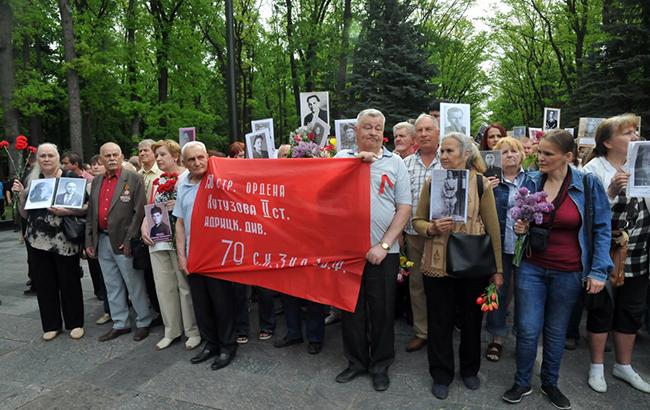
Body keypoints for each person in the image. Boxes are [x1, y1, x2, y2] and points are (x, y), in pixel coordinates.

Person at [502, 130, 612, 410]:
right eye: (539, 152)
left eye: (548, 154)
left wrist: (599, 271)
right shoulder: (532, 180)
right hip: (532, 266)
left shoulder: (588, 184)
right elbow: (523, 218)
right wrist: (522, 227)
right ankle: (522, 381)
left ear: (568, 157)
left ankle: (550, 382)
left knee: (556, 330)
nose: (540, 158)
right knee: (527, 328)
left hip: (570, 270)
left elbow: (601, 229)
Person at [413, 133, 503, 400]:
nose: (443, 156)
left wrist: (497, 269)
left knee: (471, 321)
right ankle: (441, 374)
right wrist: (431, 227)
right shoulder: (432, 182)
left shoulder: (480, 184)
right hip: (437, 265)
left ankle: (469, 370)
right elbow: (417, 220)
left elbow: (494, 228)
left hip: (471, 264)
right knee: (439, 322)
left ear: (466, 154)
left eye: (449, 151)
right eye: (442, 151)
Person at [334, 108, 412, 392]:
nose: (373, 132)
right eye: (367, 127)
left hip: (384, 253)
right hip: (347, 252)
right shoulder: (340, 160)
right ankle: (355, 362)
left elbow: (404, 208)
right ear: (355, 131)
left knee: (381, 311)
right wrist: (355, 163)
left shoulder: (396, 164)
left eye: (378, 128)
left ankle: (380, 364)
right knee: (351, 310)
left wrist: (384, 244)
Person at [581, 114, 650, 394]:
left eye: (636, 131)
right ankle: (596, 366)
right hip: (605, 250)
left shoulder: (645, 164)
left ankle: (624, 365)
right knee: (601, 308)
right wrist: (610, 192)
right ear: (608, 142)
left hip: (639, 247)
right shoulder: (592, 170)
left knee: (632, 309)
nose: (635, 136)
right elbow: (585, 213)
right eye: (627, 132)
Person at [12, 143, 85, 341]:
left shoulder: (71, 178)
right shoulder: (33, 180)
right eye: (42, 156)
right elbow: (25, 214)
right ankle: (51, 324)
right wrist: (21, 196)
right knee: (45, 283)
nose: (46, 159)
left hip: (64, 240)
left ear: (58, 157)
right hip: (38, 240)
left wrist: (67, 211)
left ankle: (75, 323)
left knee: (69, 282)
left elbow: (86, 207)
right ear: (38, 160)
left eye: (50, 155)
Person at [174, 141, 238, 370]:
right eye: (191, 159)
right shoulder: (182, 185)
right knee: (201, 305)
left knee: (222, 304)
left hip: (218, 254)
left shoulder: (219, 180)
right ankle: (210, 344)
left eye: (201, 157)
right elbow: (179, 223)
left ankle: (228, 346)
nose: (198, 162)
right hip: (194, 255)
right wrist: (182, 256)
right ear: (184, 163)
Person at [86, 142, 155, 342]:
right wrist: (90, 240)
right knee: (111, 284)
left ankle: (143, 321)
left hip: (123, 240)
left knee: (134, 283)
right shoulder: (97, 181)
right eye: (107, 155)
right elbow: (92, 213)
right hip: (102, 239)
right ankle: (120, 322)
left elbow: (139, 211)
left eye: (115, 154)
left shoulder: (133, 178)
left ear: (122, 155)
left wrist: (130, 240)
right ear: (101, 158)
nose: (111, 158)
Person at [141, 139, 201, 351]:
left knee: (184, 287)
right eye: (157, 155)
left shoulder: (187, 177)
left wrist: (178, 205)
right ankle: (171, 330)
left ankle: (192, 330)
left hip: (180, 240)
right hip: (159, 240)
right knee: (163, 286)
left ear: (175, 156)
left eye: (163, 155)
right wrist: (144, 225)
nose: (158, 159)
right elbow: (149, 207)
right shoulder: (157, 181)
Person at [484, 137, 536, 362]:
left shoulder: (533, 180)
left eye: (514, 151)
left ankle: (522, 337)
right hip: (498, 245)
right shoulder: (490, 180)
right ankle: (496, 338)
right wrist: (485, 189)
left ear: (521, 154)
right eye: (504, 152)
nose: (510, 155)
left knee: (525, 292)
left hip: (525, 247)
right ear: (496, 157)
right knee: (497, 291)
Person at [227, 147, 277, 345]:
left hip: (261, 243)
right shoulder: (231, 185)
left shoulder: (264, 186)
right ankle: (242, 327)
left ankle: (267, 325)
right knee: (239, 291)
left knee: (264, 290)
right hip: (240, 243)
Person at [403, 114, 441, 353]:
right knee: (417, 285)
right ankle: (422, 331)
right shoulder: (405, 164)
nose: (425, 134)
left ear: (437, 132)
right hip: (413, 234)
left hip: (442, 235)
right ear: (415, 136)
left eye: (429, 129)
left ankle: (441, 329)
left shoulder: (449, 159)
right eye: (420, 130)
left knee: (441, 286)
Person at [137, 139, 162, 314]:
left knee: (160, 274)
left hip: (158, 227)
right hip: (139, 228)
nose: (143, 154)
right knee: (146, 274)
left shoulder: (162, 175)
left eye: (146, 150)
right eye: (140, 151)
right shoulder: (136, 175)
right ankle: (156, 310)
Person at [87, 154, 111, 325]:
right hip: (98, 236)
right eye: (93, 164)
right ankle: (109, 309)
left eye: (99, 164)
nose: (95, 167)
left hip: (114, 236)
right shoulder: (91, 185)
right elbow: (90, 217)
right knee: (104, 277)